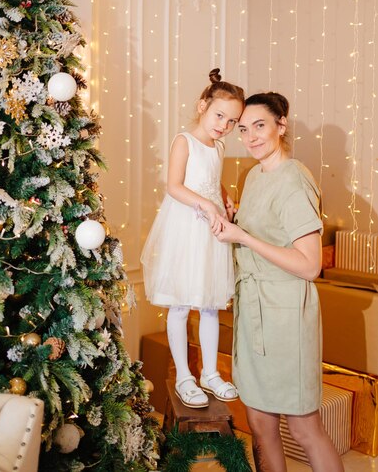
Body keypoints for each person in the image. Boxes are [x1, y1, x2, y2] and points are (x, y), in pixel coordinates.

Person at [212, 92, 344, 472]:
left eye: (260, 126)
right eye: (243, 129)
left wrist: (244, 237)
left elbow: (309, 266)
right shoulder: (254, 175)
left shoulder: (294, 181)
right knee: (259, 424)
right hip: (254, 315)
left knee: (304, 428)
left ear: (281, 126)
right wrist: (236, 221)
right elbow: (264, 233)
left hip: (286, 320)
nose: (251, 137)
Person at [141, 69, 244, 408]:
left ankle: (210, 372)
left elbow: (212, 180)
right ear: (203, 106)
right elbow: (175, 186)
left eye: (232, 121)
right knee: (181, 303)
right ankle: (185, 375)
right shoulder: (184, 140)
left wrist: (225, 196)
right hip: (186, 228)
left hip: (211, 231)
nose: (224, 125)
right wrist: (206, 204)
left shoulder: (219, 146)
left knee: (211, 304)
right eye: (220, 115)